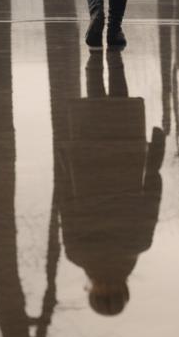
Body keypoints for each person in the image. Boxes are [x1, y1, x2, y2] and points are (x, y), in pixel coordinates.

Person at [59, 51, 164, 317]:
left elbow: (151, 196)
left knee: (119, 93)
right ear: (91, 290)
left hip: (126, 156)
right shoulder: (77, 252)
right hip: (85, 157)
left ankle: (110, 39)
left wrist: (154, 160)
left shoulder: (138, 243)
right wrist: (63, 156)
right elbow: (65, 202)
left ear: (126, 289)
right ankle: (96, 42)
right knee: (94, 87)